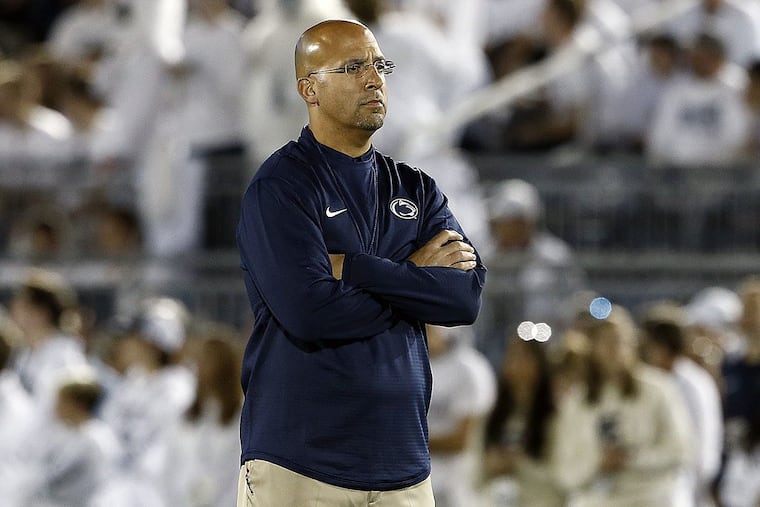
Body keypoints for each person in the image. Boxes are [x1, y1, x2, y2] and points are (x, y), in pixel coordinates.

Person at [235, 19, 486, 507]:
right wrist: (415, 280)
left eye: (380, 65)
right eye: (353, 67)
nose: (374, 80)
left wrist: (356, 268)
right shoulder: (281, 187)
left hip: (404, 469)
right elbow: (312, 315)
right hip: (299, 464)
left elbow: (464, 297)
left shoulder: (415, 188)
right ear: (309, 89)